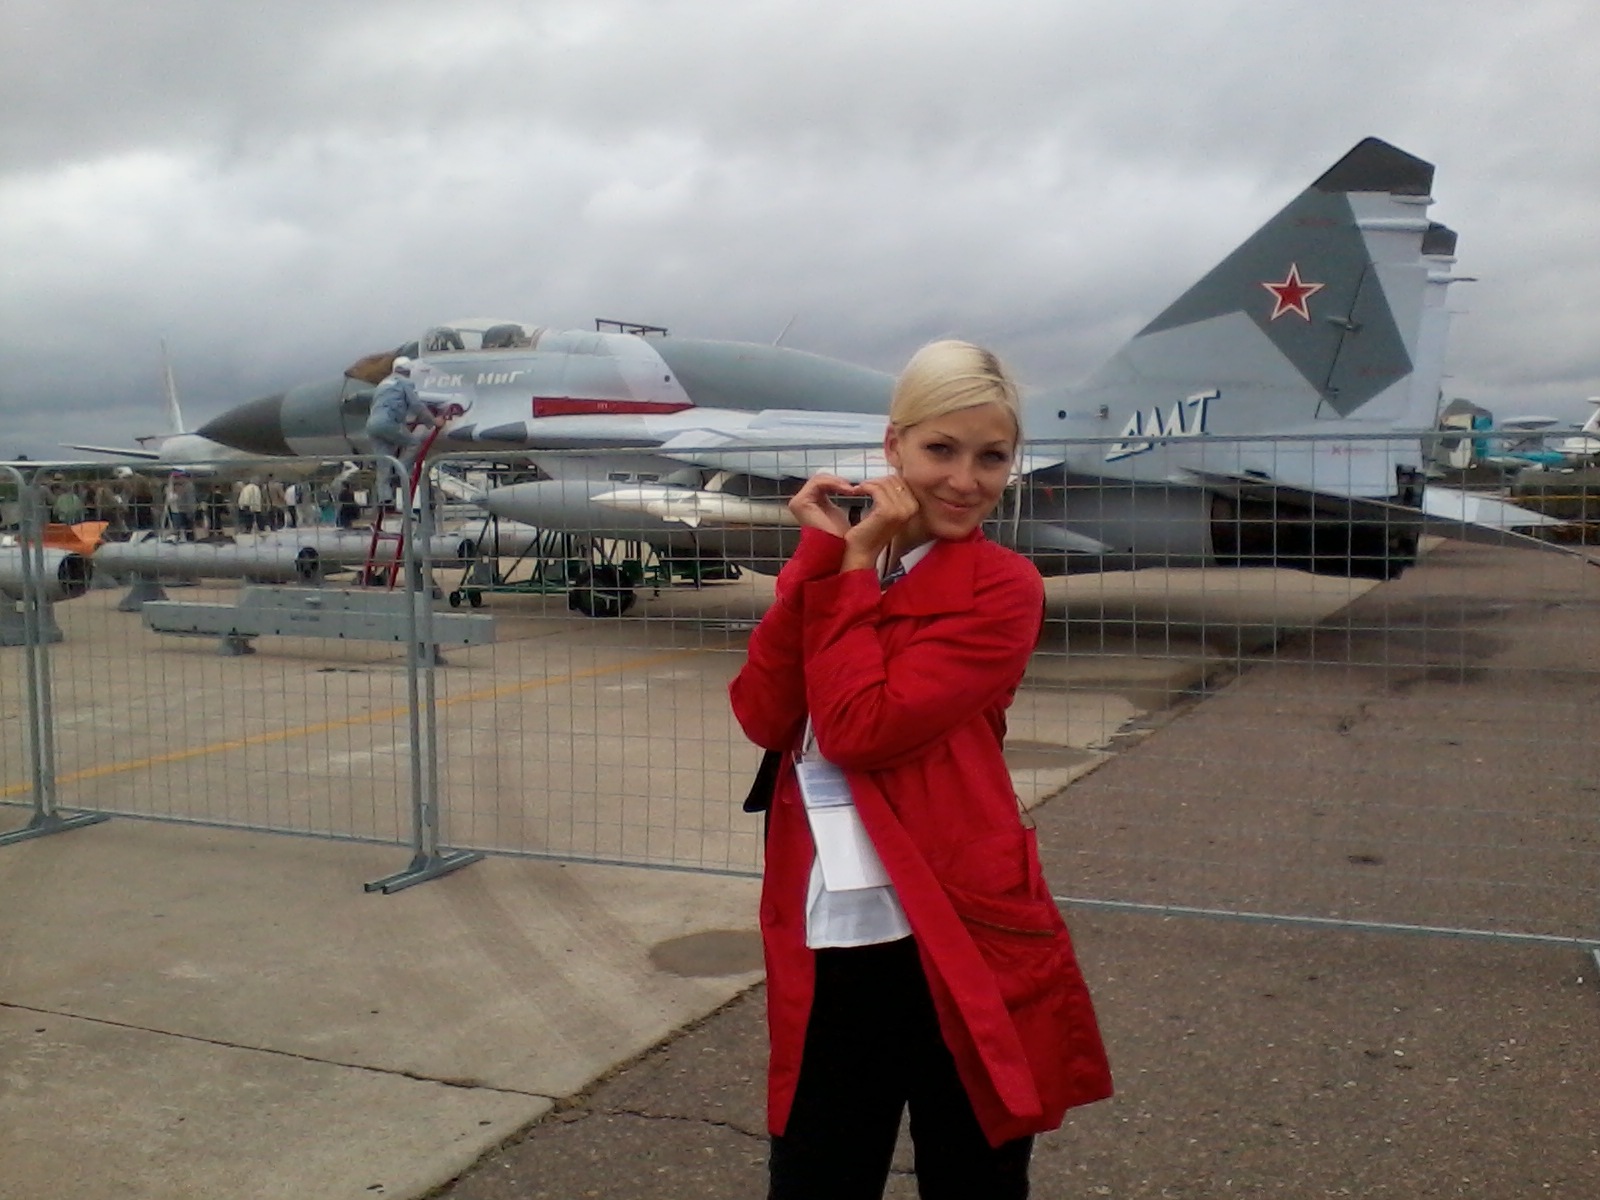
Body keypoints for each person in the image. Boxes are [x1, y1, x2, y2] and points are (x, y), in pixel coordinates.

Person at [729, 340, 1112, 1199]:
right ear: (893, 445)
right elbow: (764, 715)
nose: (966, 481)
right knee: (818, 1171)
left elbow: (858, 729)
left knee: (973, 1172)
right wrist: (823, 559)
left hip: (958, 919)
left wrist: (850, 575)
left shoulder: (1003, 588)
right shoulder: (847, 563)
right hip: (835, 922)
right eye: (942, 449)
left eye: (992, 457)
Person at [364, 356, 445, 509]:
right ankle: (401, 470)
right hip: (388, 422)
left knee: (384, 461)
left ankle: (385, 497)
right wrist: (434, 421)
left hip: (372, 424)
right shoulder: (404, 383)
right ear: (408, 370)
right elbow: (416, 405)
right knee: (413, 443)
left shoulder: (383, 383)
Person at [163, 470, 199, 541]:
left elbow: (190, 499)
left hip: (185, 510)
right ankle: (181, 540)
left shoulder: (188, 485)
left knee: (187, 529)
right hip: (177, 511)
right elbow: (170, 499)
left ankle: (188, 541)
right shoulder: (172, 487)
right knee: (179, 529)